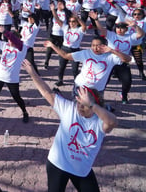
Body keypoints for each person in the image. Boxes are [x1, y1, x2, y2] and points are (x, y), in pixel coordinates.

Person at [23, 60, 117, 192]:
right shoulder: (69, 108)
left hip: (81, 170)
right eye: (78, 102)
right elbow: (47, 93)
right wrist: (32, 73)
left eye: (84, 104)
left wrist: (92, 105)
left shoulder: (100, 121)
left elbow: (113, 122)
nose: (79, 107)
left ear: (94, 104)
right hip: (58, 164)